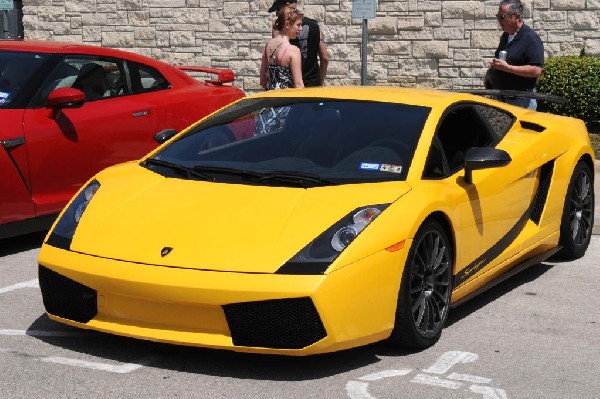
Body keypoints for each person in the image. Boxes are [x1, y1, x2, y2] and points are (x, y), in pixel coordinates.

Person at [485, 0, 544, 110]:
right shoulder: (505, 36)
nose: (499, 21)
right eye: (498, 17)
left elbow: (536, 70)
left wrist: (508, 68)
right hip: (501, 98)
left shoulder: (531, 39)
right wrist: (490, 74)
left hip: (521, 101)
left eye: (502, 17)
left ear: (516, 16)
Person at [268, 0, 329, 87]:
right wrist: (320, 82)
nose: (278, 14)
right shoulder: (314, 25)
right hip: (313, 83)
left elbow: (276, 57)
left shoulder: (279, 30)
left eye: (278, 10)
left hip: (291, 86)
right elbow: (325, 57)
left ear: (287, 5)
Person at [260, 5, 304, 90]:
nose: (301, 28)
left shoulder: (268, 45)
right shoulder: (293, 50)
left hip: (271, 99)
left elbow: (262, 81)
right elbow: (299, 84)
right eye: (298, 25)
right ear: (287, 25)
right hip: (287, 100)